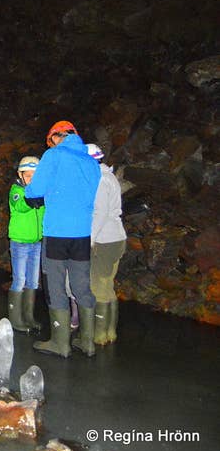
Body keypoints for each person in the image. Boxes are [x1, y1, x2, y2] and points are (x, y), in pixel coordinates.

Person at [25, 120, 100, 358]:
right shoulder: (91, 162)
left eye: (51, 140)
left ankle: (60, 343)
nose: (51, 144)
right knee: (81, 286)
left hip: (57, 232)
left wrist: (29, 188)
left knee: (55, 286)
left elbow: (35, 190)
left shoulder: (53, 155)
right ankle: (87, 342)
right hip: (82, 234)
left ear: (56, 136)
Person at [86, 143, 126, 345]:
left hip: (105, 240)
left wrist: (90, 238)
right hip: (117, 238)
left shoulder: (100, 181)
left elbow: (99, 213)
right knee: (108, 285)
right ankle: (110, 332)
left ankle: (99, 335)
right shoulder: (109, 177)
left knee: (98, 286)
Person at [7, 156, 44, 332]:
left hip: (36, 242)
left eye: (34, 176)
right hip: (20, 242)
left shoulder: (41, 193)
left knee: (33, 281)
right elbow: (20, 205)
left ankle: (29, 316)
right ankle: (15, 319)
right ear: (20, 175)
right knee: (20, 279)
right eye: (28, 175)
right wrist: (32, 199)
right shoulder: (16, 190)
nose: (31, 179)